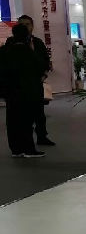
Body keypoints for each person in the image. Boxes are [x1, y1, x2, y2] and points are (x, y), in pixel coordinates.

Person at [0, 23, 46, 158]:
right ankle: (28, 149)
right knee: (26, 121)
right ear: (26, 35)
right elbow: (40, 67)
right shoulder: (27, 51)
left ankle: (16, 149)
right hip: (27, 91)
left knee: (12, 120)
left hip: (10, 92)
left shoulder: (5, 51)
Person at [18, 14, 54, 147]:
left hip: (36, 83)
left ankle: (42, 137)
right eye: (22, 25)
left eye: (27, 24)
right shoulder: (12, 43)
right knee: (23, 115)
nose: (25, 27)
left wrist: (44, 74)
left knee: (39, 113)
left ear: (32, 26)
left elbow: (45, 60)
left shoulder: (38, 42)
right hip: (20, 85)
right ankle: (25, 142)